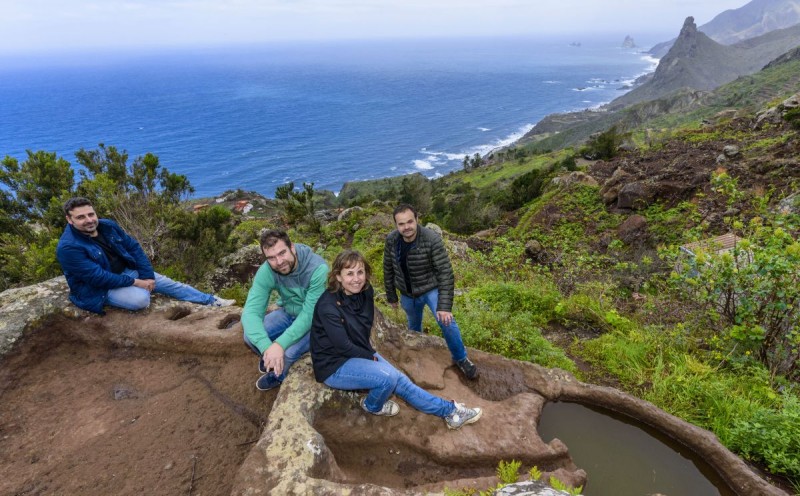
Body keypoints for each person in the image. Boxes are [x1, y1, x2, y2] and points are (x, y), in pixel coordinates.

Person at [311, 250, 482, 429]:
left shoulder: (366, 291)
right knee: (388, 378)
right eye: (349, 273)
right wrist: (371, 358)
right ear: (338, 277)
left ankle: (450, 411)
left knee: (399, 379)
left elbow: (361, 329)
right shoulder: (327, 306)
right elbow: (343, 345)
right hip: (334, 365)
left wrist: (370, 356)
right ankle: (372, 405)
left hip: (358, 351)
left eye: (360, 272)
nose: (356, 279)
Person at [56, 197, 235, 315]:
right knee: (141, 300)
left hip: (126, 272)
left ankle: (211, 301)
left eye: (91, 214)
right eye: (81, 217)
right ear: (69, 220)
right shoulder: (69, 247)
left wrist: (147, 275)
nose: (89, 220)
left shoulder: (107, 226)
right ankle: (133, 291)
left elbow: (133, 247)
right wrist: (138, 283)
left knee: (171, 284)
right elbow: (98, 278)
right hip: (98, 288)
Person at [383, 204, 478, 379]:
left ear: (417, 219)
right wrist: (391, 296)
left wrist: (444, 306)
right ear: (396, 225)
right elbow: (388, 268)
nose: (407, 227)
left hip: (430, 289)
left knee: (446, 321)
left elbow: (445, 272)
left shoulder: (431, 239)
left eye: (410, 221)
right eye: (401, 224)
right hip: (407, 293)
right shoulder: (392, 240)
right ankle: (419, 353)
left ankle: (461, 358)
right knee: (413, 325)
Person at [241, 229, 329, 391]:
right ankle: (271, 359)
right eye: (271, 258)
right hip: (288, 312)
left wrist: (280, 345)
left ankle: (279, 375)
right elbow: (251, 312)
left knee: (288, 352)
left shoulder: (317, 269)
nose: (279, 261)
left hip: (317, 321)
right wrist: (267, 347)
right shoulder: (267, 271)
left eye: (282, 253)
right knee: (249, 336)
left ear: (292, 248)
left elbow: (309, 315)